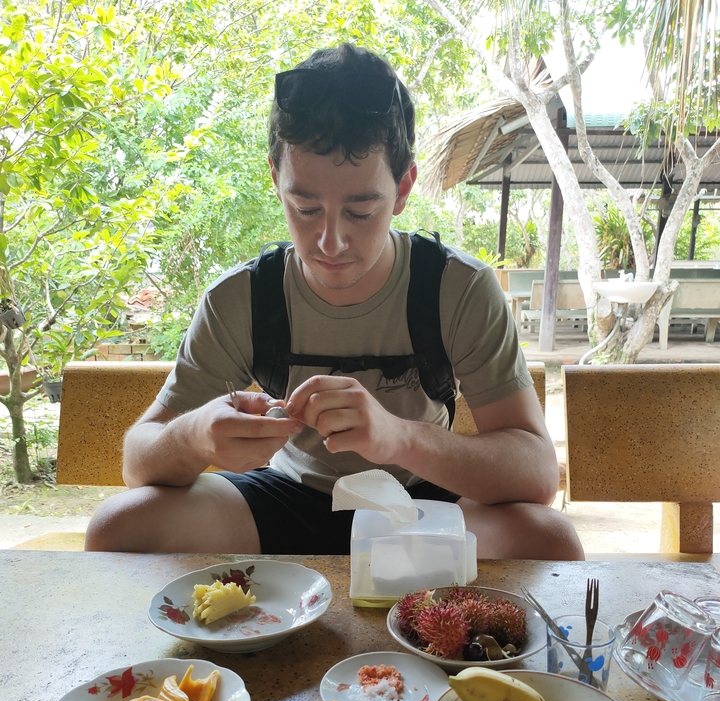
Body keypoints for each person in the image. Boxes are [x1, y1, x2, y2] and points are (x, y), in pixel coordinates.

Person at [85, 43, 584, 560]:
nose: (330, 242)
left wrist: (396, 438)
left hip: (418, 504)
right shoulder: (243, 299)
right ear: (275, 178)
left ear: (404, 188)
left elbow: (537, 473)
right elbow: (138, 462)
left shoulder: (456, 289)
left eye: (360, 211)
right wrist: (195, 437)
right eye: (304, 207)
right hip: (287, 498)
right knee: (118, 527)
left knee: (550, 540)